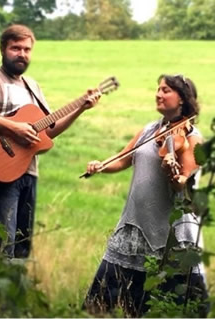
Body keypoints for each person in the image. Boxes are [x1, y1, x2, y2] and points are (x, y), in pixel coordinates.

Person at [0, 24, 99, 258]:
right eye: (16, 48)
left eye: (27, 49)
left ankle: (15, 293)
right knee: (4, 244)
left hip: (28, 171)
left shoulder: (32, 86)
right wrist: (14, 127)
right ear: (3, 49)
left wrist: (80, 109)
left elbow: (48, 132)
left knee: (23, 245)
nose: (22, 54)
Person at [84, 74, 209, 317]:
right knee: (103, 302)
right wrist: (101, 165)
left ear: (182, 100)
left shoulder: (192, 137)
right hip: (136, 224)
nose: (158, 94)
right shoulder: (150, 130)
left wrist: (173, 176)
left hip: (172, 234)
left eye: (166, 90)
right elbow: (122, 159)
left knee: (168, 304)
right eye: (158, 89)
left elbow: (183, 182)